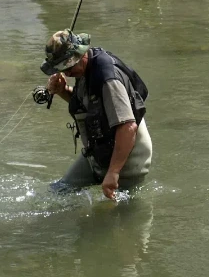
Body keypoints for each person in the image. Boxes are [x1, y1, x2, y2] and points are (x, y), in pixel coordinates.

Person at [35, 30, 152, 199]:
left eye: (68, 66)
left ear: (81, 54)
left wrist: (113, 173)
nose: (66, 73)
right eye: (62, 68)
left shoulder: (107, 78)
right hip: (99, 151)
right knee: (57, 192)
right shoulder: (84, 68)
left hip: (128, 158)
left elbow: (128, 127)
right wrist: (62, 91)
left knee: (120, 213)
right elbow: (92, 107)